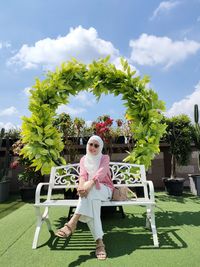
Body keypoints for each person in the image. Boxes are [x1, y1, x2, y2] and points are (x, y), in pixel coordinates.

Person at [55, 135, 114, 260]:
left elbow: (101, 173)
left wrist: (88, 185)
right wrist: (81, 187)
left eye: (96, 145)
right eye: (90, 144)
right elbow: (82, 175)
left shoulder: (105, 158)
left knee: (91, 193)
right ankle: (99, 243)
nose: (92, 147)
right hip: (90, 192)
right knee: (93, 203)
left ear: (100, 147)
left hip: (105, 189)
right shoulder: (83, 159)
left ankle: (72, 222)